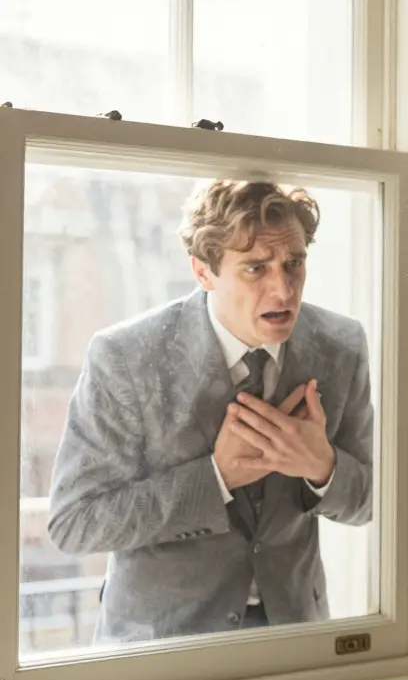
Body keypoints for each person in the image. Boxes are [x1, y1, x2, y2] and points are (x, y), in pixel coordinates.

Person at [47, 180, 375, 644]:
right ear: (203, 271)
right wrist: (215, 478)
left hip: (296, 640)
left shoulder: (341, 346)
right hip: (161, 651)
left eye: (294, 263)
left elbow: (376, 500)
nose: (283, 289)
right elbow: (73, 523)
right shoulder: (125, 356)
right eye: (256, 268)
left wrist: (323, 467)